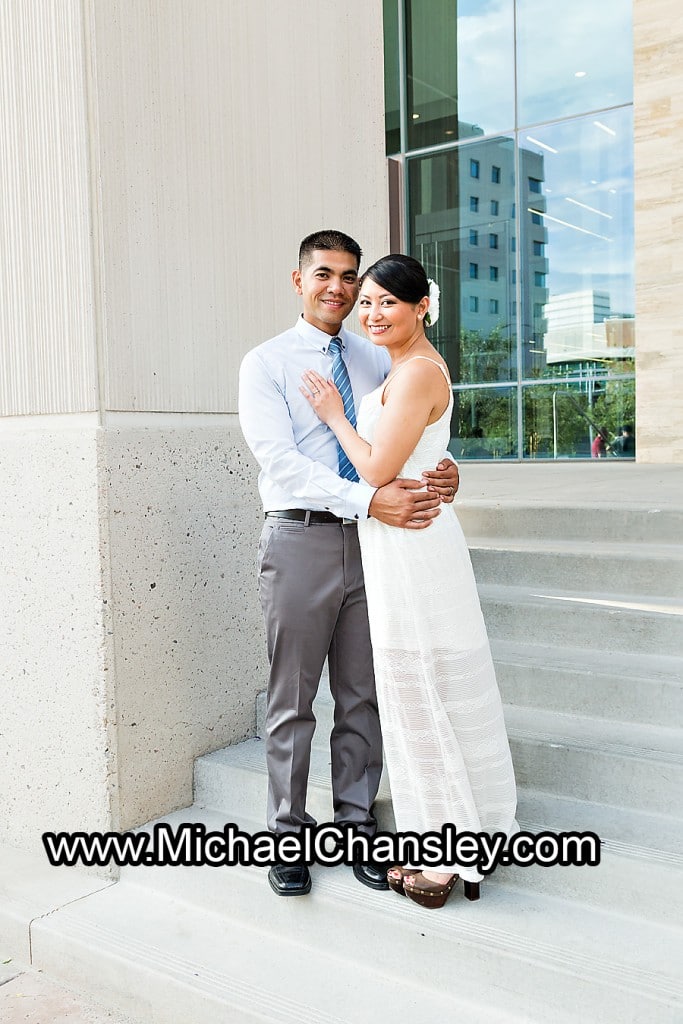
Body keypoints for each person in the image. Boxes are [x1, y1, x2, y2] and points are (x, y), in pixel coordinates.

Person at [238, 231, 460, 898]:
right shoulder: (265, 362)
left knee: (365, 694)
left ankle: (357, 825)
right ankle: (287, 837)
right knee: (293, 700)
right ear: (298, 280)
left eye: (348, 276)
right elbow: (278, 462)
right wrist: (367, 497)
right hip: (301, 540)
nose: (338, 288)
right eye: (324, 274)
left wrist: (446, 474)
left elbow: (409, 435)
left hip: (375, 547)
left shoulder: (378, 354)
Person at [301, 253, 517, 910]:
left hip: (412, 548)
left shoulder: (417, 371)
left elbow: (374, 470)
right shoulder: (408, 368)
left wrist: (335, 415)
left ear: (422, 305)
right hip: (405, 543)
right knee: (425, 689)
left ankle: (441, 863)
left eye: (385, 302)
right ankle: (460, 838)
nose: (370, 313)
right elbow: (421, 454)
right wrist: (444, 467)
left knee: (421, 690)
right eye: (364, 302)